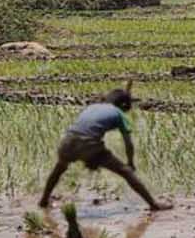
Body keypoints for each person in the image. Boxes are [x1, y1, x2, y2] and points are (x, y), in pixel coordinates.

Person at [39, 85, 172, 211]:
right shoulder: (118, 113)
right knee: (126, 172)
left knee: (59, 169)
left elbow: (87, 127)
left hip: (68, 140)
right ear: (124, 105)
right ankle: (153, 204)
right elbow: (128, 142)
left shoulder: (93, 107)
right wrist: (130, 162)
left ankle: (44, 200)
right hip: (89, 144)